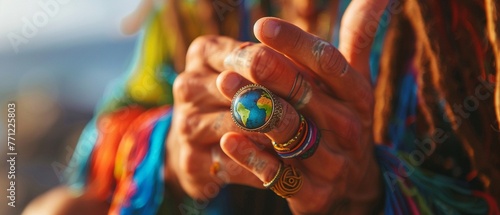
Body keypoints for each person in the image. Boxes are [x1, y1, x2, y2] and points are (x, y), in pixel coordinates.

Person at [23, 0, 500, 214]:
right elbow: (110, 130)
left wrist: (368, 194)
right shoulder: (194, 8)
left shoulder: (467, 19)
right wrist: (171, 148)